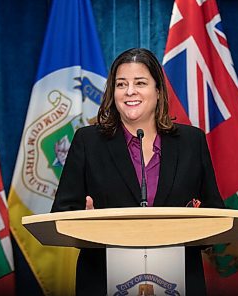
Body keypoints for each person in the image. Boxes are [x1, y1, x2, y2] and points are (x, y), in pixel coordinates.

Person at [51, 48, 225, 295]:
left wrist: (193, 224)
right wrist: (86, 222)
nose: (130, 91)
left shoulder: (191, 141)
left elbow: (215, 210)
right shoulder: (88, 141)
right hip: (103, 277)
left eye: (140, 83)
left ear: (158, 90)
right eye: (121, 84)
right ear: (113, 92)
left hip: (179, 279)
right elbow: (62, 212)